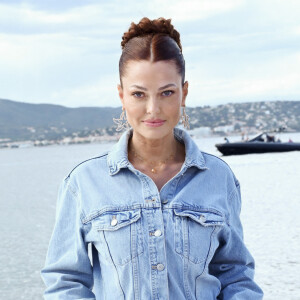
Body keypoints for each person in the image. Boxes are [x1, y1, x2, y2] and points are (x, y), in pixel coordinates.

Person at [41, 17, 263, 299]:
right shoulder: (84, 183)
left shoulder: (218, 177)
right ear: (122, 96)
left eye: (167, 92)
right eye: (138, 94)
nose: (153, 109)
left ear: (184, 93)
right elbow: (65, 282)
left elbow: (236, 276)